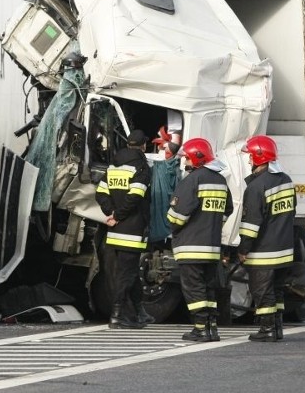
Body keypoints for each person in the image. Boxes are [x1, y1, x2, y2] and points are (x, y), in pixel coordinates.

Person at [167, 138, 232, 342]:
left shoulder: (192, 180)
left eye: (186, 157)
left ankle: (200, 329)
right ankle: (211, 327)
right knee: (208, 288)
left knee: (194, 289)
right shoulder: (220, 180)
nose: (184, 161)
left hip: (191, 247)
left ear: (196, 158)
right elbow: (227, 209)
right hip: (212, 247)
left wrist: (171, 223)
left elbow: (176, 217)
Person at [238, 135, 296, 342]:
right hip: (284, 249)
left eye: (250, 156)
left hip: (264, 251)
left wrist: (243, 249)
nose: (248, 160)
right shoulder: (286, 180)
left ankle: (267, 329)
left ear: (258, 157)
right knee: (277, 291)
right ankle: (277, 328)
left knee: (262, 291)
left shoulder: (256, 187)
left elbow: (251, 224)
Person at [96, 129, 153, 329]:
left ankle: (139, 312)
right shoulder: (141, 168)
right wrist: (119, 215)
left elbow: (101, 192)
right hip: (132, 230)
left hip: (114, 231)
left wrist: (110, 213)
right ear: (143, 146)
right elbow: (135, 196)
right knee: (126, 275)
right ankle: (117, 315)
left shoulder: (113, 166)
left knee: (128, 272)